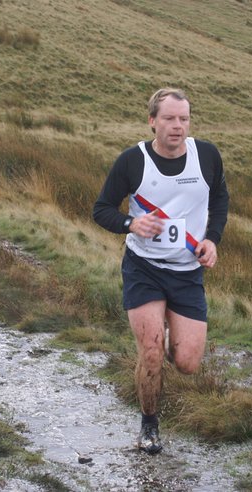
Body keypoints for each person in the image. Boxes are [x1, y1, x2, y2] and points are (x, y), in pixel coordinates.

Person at [93, 88, 229, 454]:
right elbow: (101, 209)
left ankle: (166, 336)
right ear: (152, 121)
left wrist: (212, 239)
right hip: (144, 268)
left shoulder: (207, 156)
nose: (177, 126)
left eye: (184, 119)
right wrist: (131, 224)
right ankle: (149, 426)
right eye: (169, 118)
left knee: (187, 363)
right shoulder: (132, 161)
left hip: (187, 272)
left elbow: (220, 198)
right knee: (151, 352)